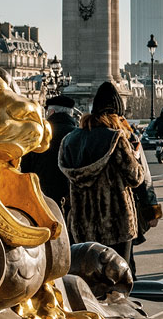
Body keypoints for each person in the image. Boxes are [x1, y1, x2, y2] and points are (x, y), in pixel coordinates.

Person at [59, 81, 145, 270]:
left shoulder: (70, 140)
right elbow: (136, 177)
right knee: (119, 277)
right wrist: (136, 156)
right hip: (116, 221)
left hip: (83, 223)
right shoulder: (116, 139)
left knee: (90, 277)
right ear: (116, 113)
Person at [21, 94, 78, 218]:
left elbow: (25, 166)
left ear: (51, 111)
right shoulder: (77, 134)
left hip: (42, 192)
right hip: (71, 193)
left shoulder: (38, 133)